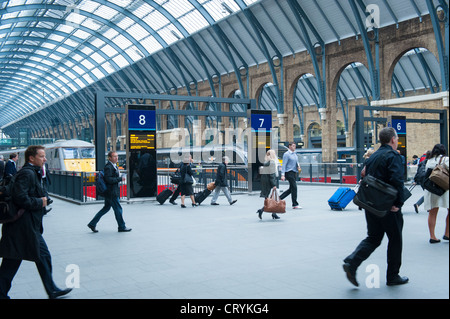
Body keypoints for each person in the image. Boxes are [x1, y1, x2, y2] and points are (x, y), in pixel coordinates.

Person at [0, 145, 72, 299]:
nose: (45, 159)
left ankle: (51, 289)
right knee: (12, 262)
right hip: (22, 227)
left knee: (41, 256)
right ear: (31, 158)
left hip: (26, 226)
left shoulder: (32, 172)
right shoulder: (27, 173)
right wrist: (40, 202)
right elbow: (20, 197)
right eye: (41, 156)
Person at [343, 127, 408, 287]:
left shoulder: (373, 156)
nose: (397, 141)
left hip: (370, 204)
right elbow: (397, 180)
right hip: (387, 206)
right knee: (395, 239)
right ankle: (393, 276)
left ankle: (352, 262)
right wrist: (398, 203)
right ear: (393, 139)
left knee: (373, 237)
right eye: (397, 139)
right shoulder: (393, 156)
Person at [87, 151, 131, 233]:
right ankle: (121, 226)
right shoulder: (109, 167)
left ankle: (92, 223)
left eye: (117, 156)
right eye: (114, 156)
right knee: (118, 209)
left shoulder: (114, 166)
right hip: (111, 192)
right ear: (109, 158)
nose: (116, 158)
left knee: (106, 208)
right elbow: (109, 180)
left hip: (111, 192)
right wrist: (120, 179)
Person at [423, 144, 449, 244]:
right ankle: (447, 233)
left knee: (432, 213)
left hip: (432, 189)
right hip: (445, 188)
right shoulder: (446, 159)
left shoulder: (429, 160)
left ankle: (432, 236)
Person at [256, 149, 280, 220]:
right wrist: (274, 185)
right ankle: (262, 210)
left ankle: (274, 213)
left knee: (269, 198)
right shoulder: (272, 162)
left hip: (265, 182)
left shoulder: (266, 162)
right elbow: (272, 174)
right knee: (271, 199)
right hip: (269, 182)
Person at [279, 142, 301, 209]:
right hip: (288, 172)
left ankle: (278, 198)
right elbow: (284, 164)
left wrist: (298, 167)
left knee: (291, 189)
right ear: (289, 146)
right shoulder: (286, 154)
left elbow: (296, 162)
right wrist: (282, 175)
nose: (295, 147)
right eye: (293, 146)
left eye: (295, 146)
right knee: (294, 187)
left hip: (294, 172)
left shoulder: (295, 154)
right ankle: (295, 204)